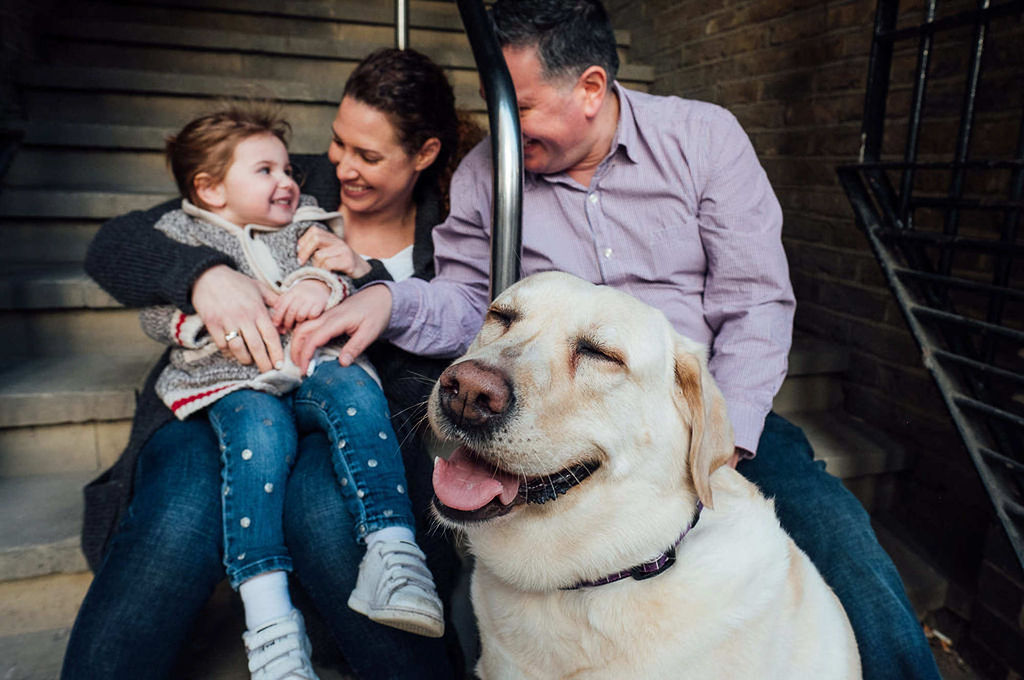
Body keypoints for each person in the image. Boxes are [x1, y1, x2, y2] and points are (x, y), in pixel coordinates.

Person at [288, 2, 943, 679]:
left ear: (591, 88)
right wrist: (388, 297)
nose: (503, 123)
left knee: (838, 537)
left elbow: (754, 304)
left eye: (523, 105)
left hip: (695, 405)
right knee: (462, 586)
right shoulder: (491, 169)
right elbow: (466, 301)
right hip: (540, 405)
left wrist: (720, 445)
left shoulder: (704, 138)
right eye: (495, 101)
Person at [64, 48, 472, 680]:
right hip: (221, 395)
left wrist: (362, 282)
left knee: (322, 509)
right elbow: (117, 245)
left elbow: (445, 335)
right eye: (339, 144)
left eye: (368, 156)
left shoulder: (444, 236)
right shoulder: (291, 179)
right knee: (179, 516)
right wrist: (203, 277)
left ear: (422, 155)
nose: (342, 167)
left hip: (342, 406)